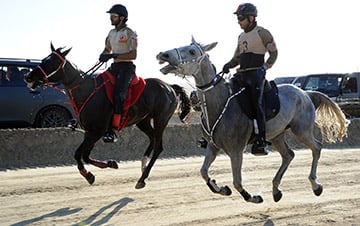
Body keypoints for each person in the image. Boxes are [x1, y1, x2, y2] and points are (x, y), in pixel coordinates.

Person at [222, 3, 278, 155]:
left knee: (256, 104)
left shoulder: (262, 33)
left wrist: (266, 67)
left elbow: (274, 53)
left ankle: (261, 141)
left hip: (256, 76)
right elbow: (237, 58)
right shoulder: (241, 37)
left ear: (251, 18)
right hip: (242, 74)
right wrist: (228, 65)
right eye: (238, 18)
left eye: (241, 18)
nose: (238, 21)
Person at [99, 4, 138, 143]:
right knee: (98, 88)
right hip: (114, 67)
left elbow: (133, 54)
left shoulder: (129, 33)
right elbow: (107, 49)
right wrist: (103, 55)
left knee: (118, 94)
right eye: (111, 16)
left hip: (126, 68)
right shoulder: (111, 33)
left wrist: (114, 55)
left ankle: (114, 129)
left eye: (113, 16)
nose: (111, 18)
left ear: (122, 18)